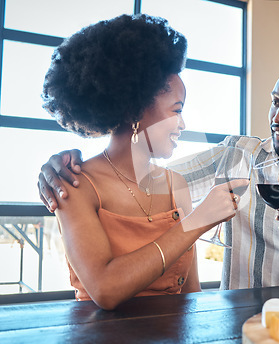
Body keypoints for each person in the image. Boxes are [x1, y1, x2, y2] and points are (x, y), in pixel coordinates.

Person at [38, 46, 279, 290]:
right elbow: (135, 176)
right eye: (275, 101)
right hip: (239, 331)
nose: (278, 115)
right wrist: (66, 163)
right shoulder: (234, 157)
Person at [38, 13, 247, 310]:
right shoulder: (76, 185)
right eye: (176, 110)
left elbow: (191, 293)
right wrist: (197, 222)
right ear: (135, 110)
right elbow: (106, 289)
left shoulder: (176, 185)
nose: (182, 124)